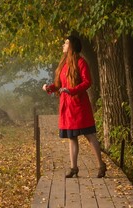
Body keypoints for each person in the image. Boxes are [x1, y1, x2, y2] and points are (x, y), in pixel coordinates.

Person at [42, 35, 106, 178]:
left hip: (79, 105)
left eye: (66, 43)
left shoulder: (81, 62)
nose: (63, 45)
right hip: (67, 107)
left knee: (89, 135)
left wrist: (72, 90)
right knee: (72, 137)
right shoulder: (63, 64)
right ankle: (74, 168)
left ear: (72, 46)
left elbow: (87, 82)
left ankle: (101, 165)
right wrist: (49, 88)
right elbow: (59, 85)